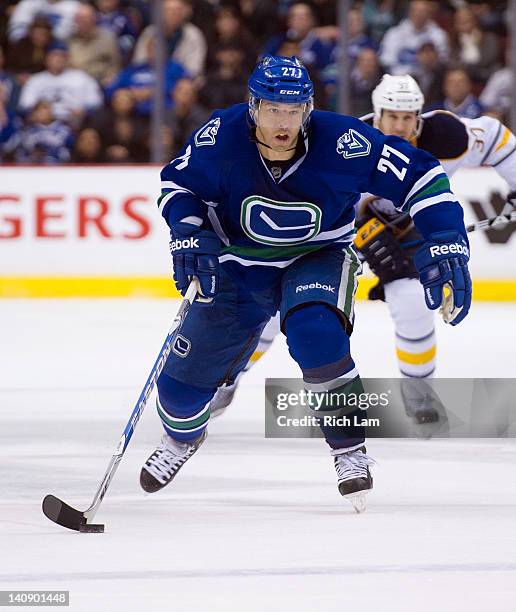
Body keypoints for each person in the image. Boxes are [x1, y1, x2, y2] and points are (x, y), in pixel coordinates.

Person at [140, 56, 471, 511]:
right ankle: (182, 439)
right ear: (254, 106)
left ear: (309, 108)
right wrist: (187, 232)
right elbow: (178, 187)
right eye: (274, 109)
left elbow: (422, 177)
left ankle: (349, 449)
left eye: (294, 110)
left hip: (317, 257)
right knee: (178, 393)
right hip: (239, 264)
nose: (284, 122)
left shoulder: (344, 141)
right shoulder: (219, 136)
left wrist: (447, 239)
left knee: (316, 334)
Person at [210, 73, 516, 423]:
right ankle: (225, 379)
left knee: (414, 302)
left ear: (419, 114)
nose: (400, 126)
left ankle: (420, 393)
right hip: (340, 234)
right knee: (276, 312)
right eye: (392, 117)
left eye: (407, 117)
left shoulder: (448, 135)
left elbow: (497, 138)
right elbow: (316, 204)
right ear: (376, 113)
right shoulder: (351, 143)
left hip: (410, 230)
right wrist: (361, 232)